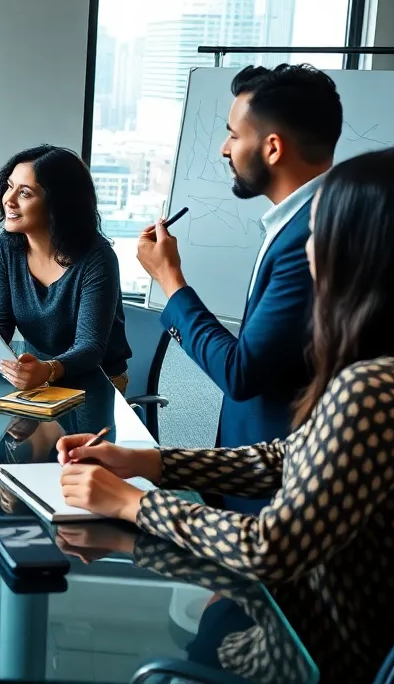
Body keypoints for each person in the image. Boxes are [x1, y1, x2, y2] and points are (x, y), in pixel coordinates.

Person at [57, 147, 394, 684]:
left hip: (308, 653)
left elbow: (268, 549)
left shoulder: (375, 391)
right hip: (346, 629)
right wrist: (146, 463)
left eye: (321, 230)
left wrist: (128, 502)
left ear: (368, 253)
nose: (309, 246)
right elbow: (288, 458)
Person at [137, 64, 339, 512]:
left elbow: (241, 374)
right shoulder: (302, 220)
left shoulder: (310, 237)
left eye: (233, 135)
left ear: (272, 148)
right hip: (251, 469)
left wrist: (170, 280)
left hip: (277, 493)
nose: (224, 148)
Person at [0, 145, 131, 392]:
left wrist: (48, 369)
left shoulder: (98, 259)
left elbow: (90, 348)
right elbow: (0, 321)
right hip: (36, 378)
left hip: (96, 382)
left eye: (25, 193)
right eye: (10, 186)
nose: (9, 200)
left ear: (58, 204)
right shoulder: (7, 246)